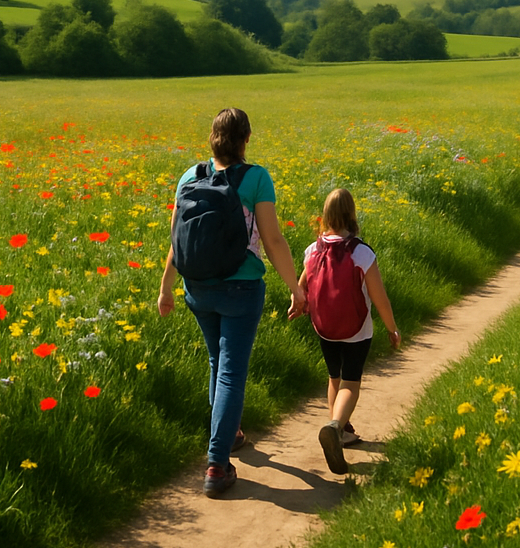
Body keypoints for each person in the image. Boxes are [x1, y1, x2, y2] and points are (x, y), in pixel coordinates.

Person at [158, 107, 306, 498]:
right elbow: (273, 241)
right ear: (245, 140)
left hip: (198, 287)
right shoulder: (255, 177)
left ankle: (231, 434)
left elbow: (176, 238)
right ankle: (217, 464)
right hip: (241, 288)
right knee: (230, 373)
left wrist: (166, 287)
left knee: (215, 362)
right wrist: (296, 288)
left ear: (212, 138)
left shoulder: (189, 176)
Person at [300, 188, 400, 475]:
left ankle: (340, 431)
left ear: (326, 215)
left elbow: (303, 285)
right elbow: (379, 298)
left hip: (324, 328)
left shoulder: (313, 249)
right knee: (351, 382)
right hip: (357, 330)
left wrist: (298, 304)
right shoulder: (361, 252)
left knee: (334, 377)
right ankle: (335, 426)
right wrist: (392, 329)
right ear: (351, 214)